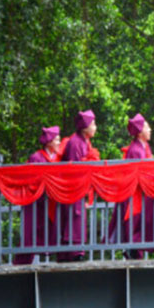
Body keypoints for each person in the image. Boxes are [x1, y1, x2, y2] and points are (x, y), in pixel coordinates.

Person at [110, 113, 154, 259]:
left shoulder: (143, 147)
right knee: (133, 225)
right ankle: (131, 252)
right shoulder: (136, 150)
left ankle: (134, 251)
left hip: (140, 195)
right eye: (147, 127)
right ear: (140, 132)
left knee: (138, 224)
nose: (150, 129)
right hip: (134, 195)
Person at [14, 126, 62, 265]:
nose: (59, 143)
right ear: (49, 142)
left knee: (47, 231)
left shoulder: (57, 158)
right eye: (56, 140)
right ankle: (21, 263)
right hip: (35, 201)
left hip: (50, 202)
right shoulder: (36, 157)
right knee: (31, 232)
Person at [56, 110, 98, 261]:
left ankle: (76, 250)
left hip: (80, 189)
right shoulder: (75, 142)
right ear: (85, 127)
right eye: (93, 124)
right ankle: (73, 253)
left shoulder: (84, 141)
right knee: (73, 218)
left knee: (78, 219)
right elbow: (74, 169)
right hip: (72, 189)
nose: (95, 127)